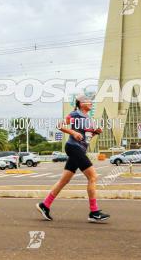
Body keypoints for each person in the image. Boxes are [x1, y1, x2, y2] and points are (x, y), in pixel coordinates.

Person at [36, 94, 110, 223]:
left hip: (79, 149)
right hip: (73, 147)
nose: (91, 102)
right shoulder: (75, 115)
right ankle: (94, 212)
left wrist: (95, 132)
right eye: (87, 101)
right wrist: (73, 132)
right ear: (80, 103)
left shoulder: (88, 118)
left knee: (64, 180)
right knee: (93, 177)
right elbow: (60, 125)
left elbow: (86, 138)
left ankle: (45, 205)